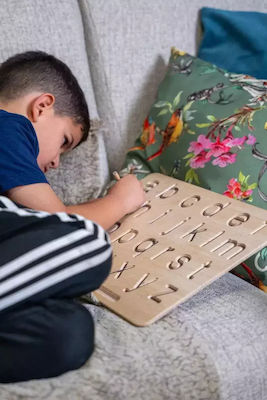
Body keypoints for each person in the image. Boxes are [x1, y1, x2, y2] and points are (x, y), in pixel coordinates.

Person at [0, 51, 145, 383]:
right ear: (41, 107)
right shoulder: (7, 125)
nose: (55, 164)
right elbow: (58, 219)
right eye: (64, 142)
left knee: (70, 332)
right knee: (89, 240)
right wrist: (120, 201)